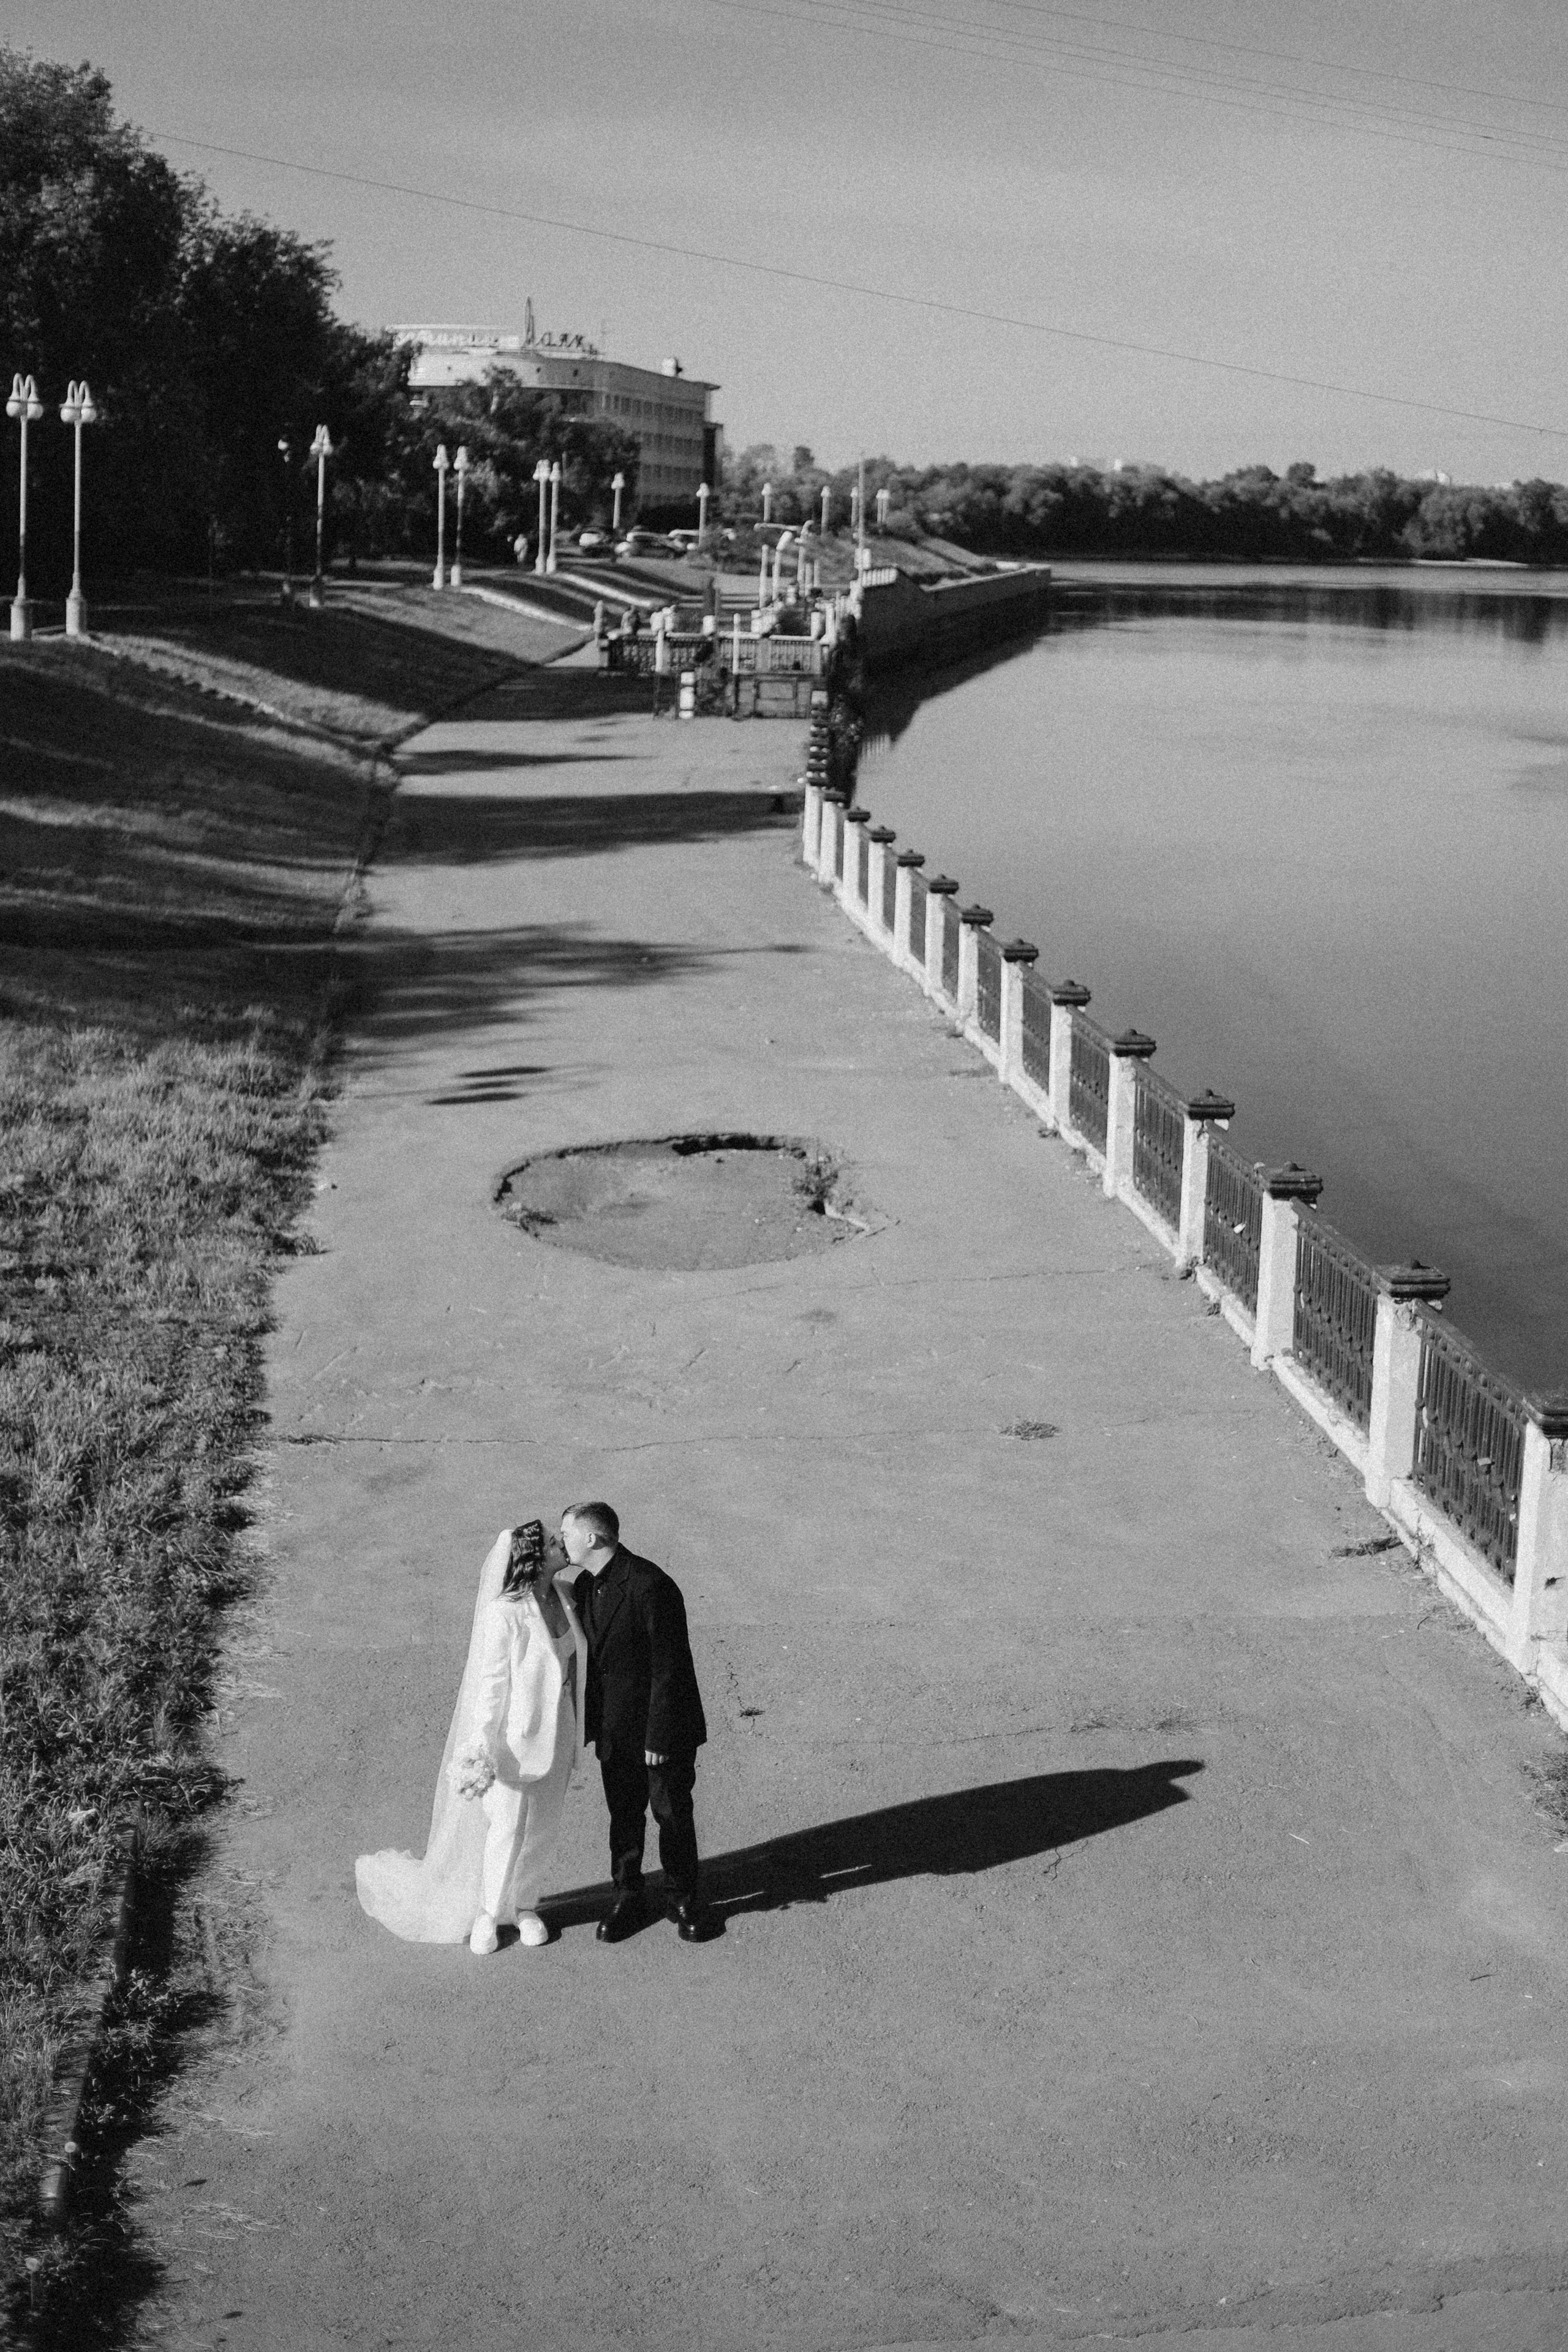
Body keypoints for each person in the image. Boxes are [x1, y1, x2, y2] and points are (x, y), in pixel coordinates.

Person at [355, 1521, 586, 1954]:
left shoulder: (567, 1596)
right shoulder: (505, 1613)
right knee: (506, 1827)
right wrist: (480, 1746)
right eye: (554, 1542)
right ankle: (488, 1912)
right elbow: (492, 1684)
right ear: (533, 1560)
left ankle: (524, 1907)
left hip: (563, 1729)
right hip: (514, 1740)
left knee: (544, 1824)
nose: (562, 1543)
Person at [557, 1502, 709, 1943]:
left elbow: (671, 1668)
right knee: (624, 1816)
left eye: (566, 1532)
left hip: (661, 1730)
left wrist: (659, 1735)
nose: (560, 1540)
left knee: (672, 1814)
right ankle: (628, 1895)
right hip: (614, 1728)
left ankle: (683, 1898)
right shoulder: (585, 1586)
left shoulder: (650, 1586)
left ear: (592, 1538)